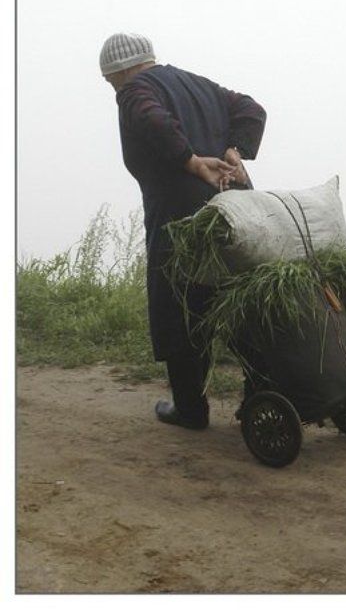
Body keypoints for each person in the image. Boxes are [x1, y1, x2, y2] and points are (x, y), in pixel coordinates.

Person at [100, 32, 266, 429]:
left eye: (109, 82)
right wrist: (235, 150)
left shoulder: (134, 90)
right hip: (235, 209)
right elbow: (251, 108)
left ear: (119, 72)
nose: (112, 90)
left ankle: (190, 409)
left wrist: (190, 161)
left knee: (179, 305)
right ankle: (261, 397)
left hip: (180, 217)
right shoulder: (199, 83)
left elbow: (150, 118)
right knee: (239, 299)